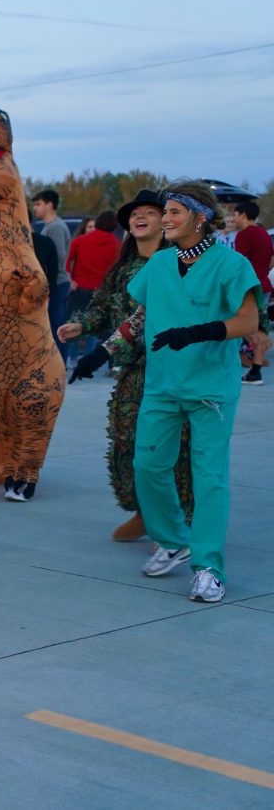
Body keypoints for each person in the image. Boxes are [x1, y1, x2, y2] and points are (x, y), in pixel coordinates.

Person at [127, 181, 260, 602]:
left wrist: (199, 331)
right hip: (162, 384)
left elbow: (248, 322)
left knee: (209, 478)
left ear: (200, 217)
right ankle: (171, 539)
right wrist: (105, 346)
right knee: (147, 467)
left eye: (174, 213)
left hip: (211, 390)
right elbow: (141, 312)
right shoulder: (160, 264)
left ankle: (207, 567)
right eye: (164, 213)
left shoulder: (231, 265)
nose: (165, 219)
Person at [60, 189, 192, 542]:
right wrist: (80, 326)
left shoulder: (178, 261)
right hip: (133, 370)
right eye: (135, 213)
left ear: (165, 221)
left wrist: (100, 351)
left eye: (150, 211)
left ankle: (180, 520)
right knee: (125, 443)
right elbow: (103, 307)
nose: (140, 216)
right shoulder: (123, 269)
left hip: (173, 369)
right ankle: (144, 511)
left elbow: (144, 318)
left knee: (174, 447)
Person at [64, 210, 121, 365]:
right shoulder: (117, 245)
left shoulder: (80, 241)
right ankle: (90, 357)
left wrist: (72, 279)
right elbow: (118, 268)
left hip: (81, 287)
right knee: (96, 325)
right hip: (103, 290)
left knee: (74, 322)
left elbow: (67, 262)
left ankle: (73, 357)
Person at [232, 201, 273, 385]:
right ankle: (255, 372)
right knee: (259, 327)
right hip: (264, 286)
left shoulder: (244, 235)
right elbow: (272, 259)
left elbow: (237, 264)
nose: (233, 219)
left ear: (243, 215)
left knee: (246, 325)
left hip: (248, 288)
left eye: (235, 214)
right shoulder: (264, 234)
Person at [32, 189, 72, 363]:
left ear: (50, 204)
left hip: (57, 283)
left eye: (39, 204)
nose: (36, 208)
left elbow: (57, 258)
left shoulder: (55, 227)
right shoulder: (50, 226)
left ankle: (60, 364)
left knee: (57, 327)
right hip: (54, 283)